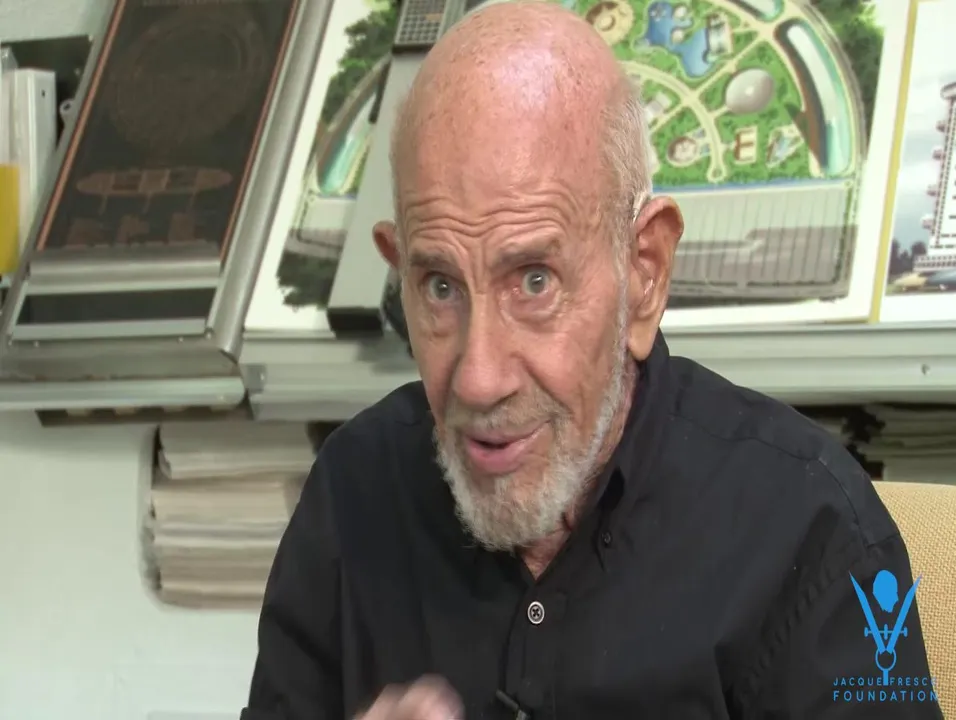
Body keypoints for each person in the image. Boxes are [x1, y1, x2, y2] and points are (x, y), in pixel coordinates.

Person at [241, 3, 942, 719]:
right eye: (440, 287)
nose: (478, 380)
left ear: (644, 272)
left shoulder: (808, 524)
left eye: (534, 281)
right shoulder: (351, 494)